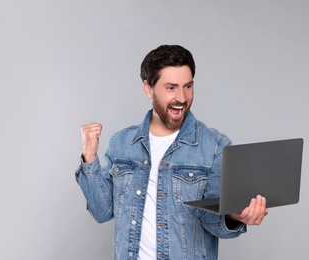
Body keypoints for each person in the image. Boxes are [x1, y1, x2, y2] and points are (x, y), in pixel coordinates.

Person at [75, 44, 268, 260]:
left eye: (187, 86)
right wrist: (90, 157)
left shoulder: (215, 145)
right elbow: (102, 212)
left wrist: (235, 215)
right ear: (148, 89)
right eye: (171, 88)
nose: (182, 98)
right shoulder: (122, 142)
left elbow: (211, 219)